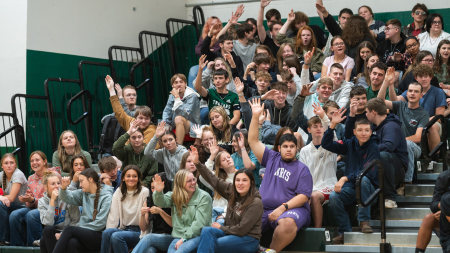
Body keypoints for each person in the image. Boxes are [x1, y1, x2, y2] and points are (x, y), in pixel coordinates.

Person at [247, 98, 313, 253]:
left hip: (293, 210)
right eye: (285, 147)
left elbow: (304, 196)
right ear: (279, 148)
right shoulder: (271, 157)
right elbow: (253, 141)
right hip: (265, 209)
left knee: (287, 223)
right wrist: (255, 117)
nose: (289, 149)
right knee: (244, 223)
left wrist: (282, 208)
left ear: (297, 149)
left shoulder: (302, 169)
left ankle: (271, 251)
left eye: (292, 146)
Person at [190, 146, 263, 253]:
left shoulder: (255, 203)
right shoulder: (232, 191)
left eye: (244, 180)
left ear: (251, 183)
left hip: (248, 239)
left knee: (214, 243)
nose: (240, 183)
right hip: (231, 232)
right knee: (207, 231)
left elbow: (241, 229)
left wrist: (221, 228)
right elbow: (212, 178)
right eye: (237, 180)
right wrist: (197, 163)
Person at [322, 113, 380, 244]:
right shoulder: (350, 143)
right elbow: (326, 144)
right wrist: (332, 125)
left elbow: (368, 173)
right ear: (354, 132)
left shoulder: (373, 147)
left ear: (371, 132)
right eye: (360, 130)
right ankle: (345, 231)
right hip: (353, 190)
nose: (363, 133)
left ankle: (364, 221)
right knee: (333, 197)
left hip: (371, 192)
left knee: (363, 179)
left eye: (366, 130)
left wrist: (345, 178)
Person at [377, 71, 429, 188]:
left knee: (408, 144)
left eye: (416, 92)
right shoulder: (400, 105)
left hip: (415, 148)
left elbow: (417, 137)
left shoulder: (423, 114)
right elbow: (379, 103)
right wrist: (386, 82)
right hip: (396, 145)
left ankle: (406, 183)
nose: (412, 94)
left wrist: (398, 142)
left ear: (421, 95)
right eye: (410, 91)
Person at [353, 98, 408, 208]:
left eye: (366, 112)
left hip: (395, 168)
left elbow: (388, 146)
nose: (365, 115)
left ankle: (390, 197)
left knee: (382, 155)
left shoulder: (391, 126)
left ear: (373, 113)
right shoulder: (374, 127)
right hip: (378, 166)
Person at [390, 63, 446, 155]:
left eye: (426, 76)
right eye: (421, 76)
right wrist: (391, 85)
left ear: (431, 77)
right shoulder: (412, 91)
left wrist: (422, 122)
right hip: (414, 122)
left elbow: (439, 117)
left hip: (431, 122)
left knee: (431, 127)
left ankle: (434, 159)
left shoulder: (438, 92)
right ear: (416, 78)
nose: (423, 79)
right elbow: (395, 100)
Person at [152, 170, 212, 253]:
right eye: (189, 181)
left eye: (194, 179)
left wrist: (184, 239)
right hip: (178, 237)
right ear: (180, 184)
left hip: (197, 236)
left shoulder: (204, 197)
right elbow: (160, 202)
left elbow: (199, 224)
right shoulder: (174, 196)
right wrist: (158, 192)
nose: (193, 183)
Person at [54, 168, 113, 253]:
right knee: (72, 242)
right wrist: (63, 187)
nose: (80, 185)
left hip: (99, 235)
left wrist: (78, 229)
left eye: (81, 181)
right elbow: (66, 198)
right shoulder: (83, 193)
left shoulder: (106, 196)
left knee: (69, 230)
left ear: (90, 179)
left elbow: (100, 224)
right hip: (86, 234)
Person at [9, 151, 61, 246]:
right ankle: (17, 247)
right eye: (32, 161)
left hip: (50, 206)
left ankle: (36, 246)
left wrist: (33, 200)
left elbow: (54, 197)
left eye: (37, 160)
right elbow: (30, 202)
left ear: (45, 161)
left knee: (31, 214)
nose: (34, 163)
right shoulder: (31, 178)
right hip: (35, 207)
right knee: (14, 215)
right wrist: (27, 199)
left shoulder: (53, 174)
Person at [299, 116, 337, 228]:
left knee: (314, 196)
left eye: (321, 126)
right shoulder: (304, 150)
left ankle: (318, 231)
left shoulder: (331, 145)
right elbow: (302, 176)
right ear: (309, 130)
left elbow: (331, 130)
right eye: (315, 126)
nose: (319, 128)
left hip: (328, 186)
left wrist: (323, 116)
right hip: (311, 188)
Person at [101, 165, 149, 253]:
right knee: (106, 233)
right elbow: (113, 217)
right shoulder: (119, 192)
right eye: (128, 176)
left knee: (116, 236)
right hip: (124, 229)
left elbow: (147, 222)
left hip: (140, 231)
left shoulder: (144, 191)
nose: (131, 178)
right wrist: (109, 231)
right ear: (123, 178)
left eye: (134, 176)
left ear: (138, 178)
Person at [106, 75, 158, 146]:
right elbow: (118, 112)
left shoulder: (151, 131)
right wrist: (111, 89)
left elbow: (142, 152)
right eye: (141, 118)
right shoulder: (133, 123)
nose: (143, 121)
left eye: (147, 119)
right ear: (135, 118)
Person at [415, 153, 450, 253]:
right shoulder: (444, 177)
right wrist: (443, 206)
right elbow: (433, 205)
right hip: (445, 215)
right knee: (429, 218)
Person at [39, 171, 80, 253]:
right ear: (45, 187)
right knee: (47, 230)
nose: (56, 186)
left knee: (43, 241)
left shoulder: (68, 197)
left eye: (58, 183)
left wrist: (62, 234)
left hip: (68, 232)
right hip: (52, 233)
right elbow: (47, 223)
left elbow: (76, 221)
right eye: (53, 184)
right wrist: (52, 201)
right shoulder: (42, 201)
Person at [195, 55, 241, 126]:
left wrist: (225, 129)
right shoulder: (210, 93)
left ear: (227, 79)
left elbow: (237, 117)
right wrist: (200, 70)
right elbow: (198, 88)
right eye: (215, 78)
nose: (217, 81)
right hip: (214, 127)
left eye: (220, 78)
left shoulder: (234, 96)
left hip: (229, 127)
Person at [277, 9, 325, 78]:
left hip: (311, 78)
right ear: (299, 37)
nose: (305, 37)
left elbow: (315, 71)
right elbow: (279, 38)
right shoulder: (293, 44)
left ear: (312, 37)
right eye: (303, 35)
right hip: (294, 76)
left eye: (308, 35)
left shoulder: (317, 52)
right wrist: (288, 21)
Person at [201, 7, 245, 78]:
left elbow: (240, 76)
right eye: (228, 43)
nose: (231, 45)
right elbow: (203, 50)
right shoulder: (214, 56)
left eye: (232, 43)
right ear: (221, 45)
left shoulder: (236, 59)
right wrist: (210, 34)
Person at [113, 122, 158, 186]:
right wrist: (128, 133)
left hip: (143, 185)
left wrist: (141, 185)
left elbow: (152, 174)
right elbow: (115, 148)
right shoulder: (126, 150)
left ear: (143, 137)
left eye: (139, 137)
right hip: (126, 183)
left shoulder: (150, 152)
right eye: (133, 138)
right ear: (129, 139)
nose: (137, 140)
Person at [163, 73, 201, 144]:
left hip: (193, 127)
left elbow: (184, 114)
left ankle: (178, 148)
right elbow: (167, 111)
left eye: (181, 82)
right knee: (161, 129)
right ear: (172, 85)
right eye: (176, 82)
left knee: (178, 118)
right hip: (176, 126)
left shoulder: (192, 96)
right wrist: (165, 125)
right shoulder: (172, 96)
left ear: (185, 84)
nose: (179, 84)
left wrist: (177, 98)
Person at [0, 154, 28, 246]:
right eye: (6, 163)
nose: (9, 165)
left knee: (0, 204)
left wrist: (1, 198)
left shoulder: (18, 174)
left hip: (23, 206)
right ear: (2, 165)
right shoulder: (2, 175)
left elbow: (11, 198)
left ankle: (5, 239)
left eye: (11, 163)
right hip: (10, 206)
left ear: (15, 164)